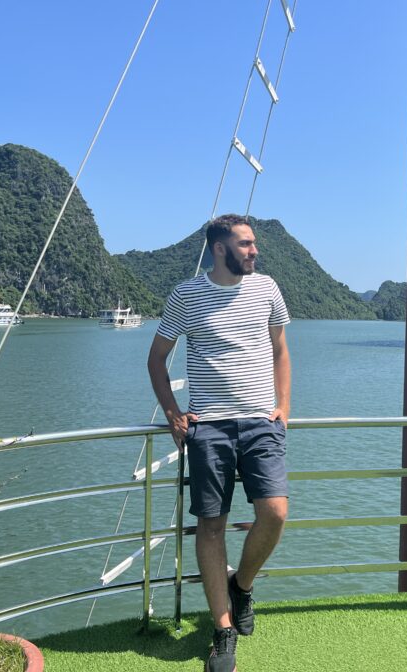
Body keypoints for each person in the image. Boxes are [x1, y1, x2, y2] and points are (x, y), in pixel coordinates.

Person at [147, 214, 291, 672]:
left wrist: (283, 405)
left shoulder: (267, 289)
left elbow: (281, 349)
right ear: (220, 249)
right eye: (246, 244)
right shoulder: (186, 294)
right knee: (211, 526)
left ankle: (242, 585)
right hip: (207, 427)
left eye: (254, 244)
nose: (255, 251)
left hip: (259, 423)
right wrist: (173, 412)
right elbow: (157, 358)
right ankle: (223, 631)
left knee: (275, 512)